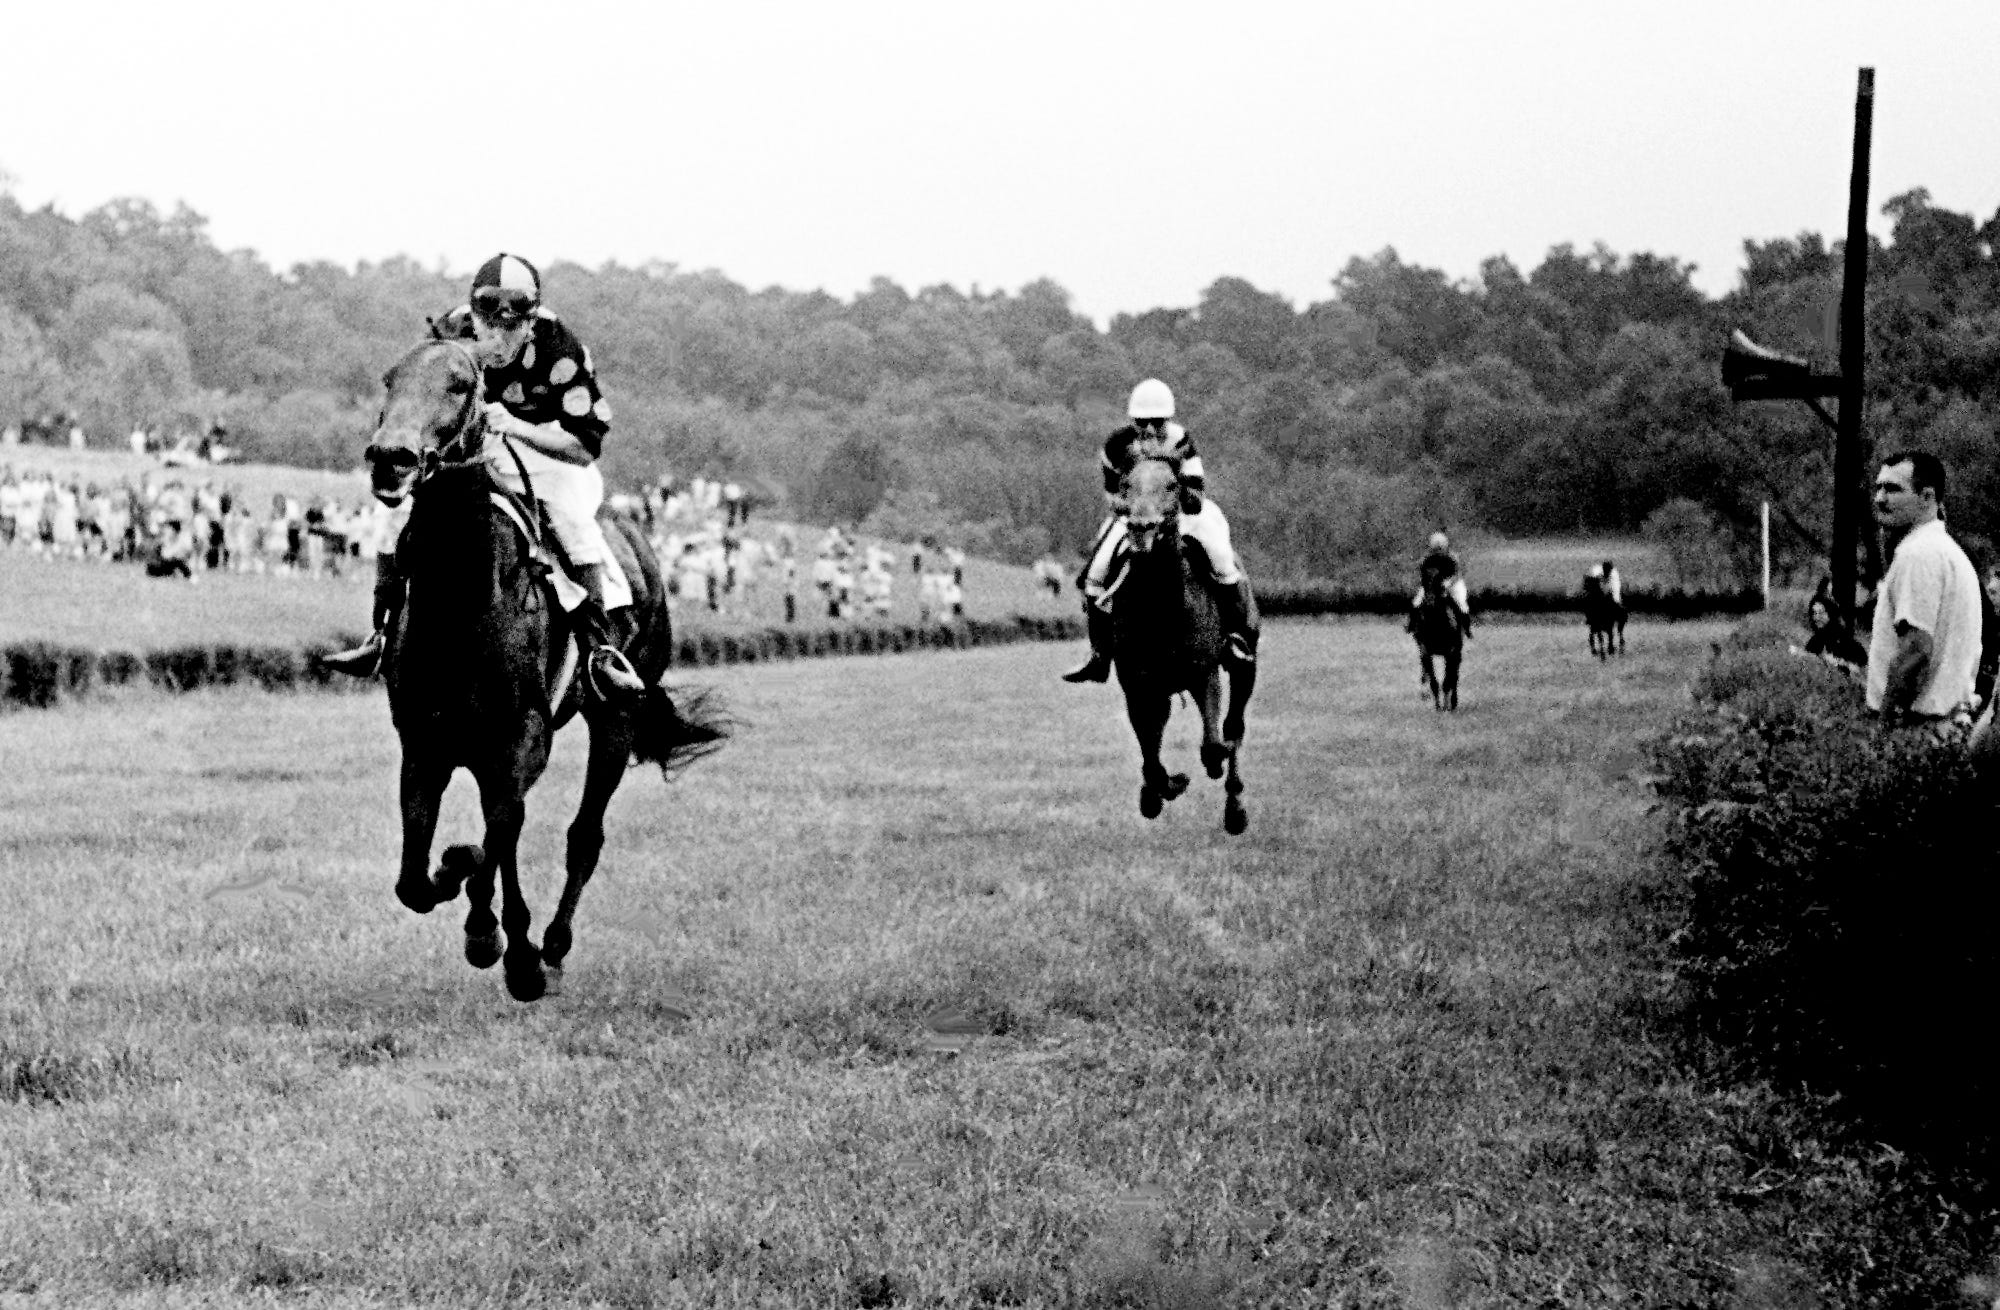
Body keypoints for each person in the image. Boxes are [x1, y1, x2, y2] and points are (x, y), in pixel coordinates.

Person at [323, 252, 644, 697]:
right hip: (470, 446)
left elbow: (584, 447)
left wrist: (518, 427)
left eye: (512, 326)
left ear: (531, 320)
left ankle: (598, 654)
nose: (497, 337)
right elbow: (421, 394)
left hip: (545, 450)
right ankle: (379, 636)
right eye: (487, 323)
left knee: (572, 521)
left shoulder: (560, 349)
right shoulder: (450, 332)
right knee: (392, 518)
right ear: (472, 313)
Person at [1062, 379, 1258, 683]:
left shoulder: (1181, 441)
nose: (1151, 429)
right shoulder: (1116, 445)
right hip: (1133, 517)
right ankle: (1099, 654)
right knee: (1096, 573)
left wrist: (1164, 498)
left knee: (1222, 559)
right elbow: (1112, 494)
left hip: (1180, 516)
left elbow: (1195, 498)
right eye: (1143, 422)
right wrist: (1135, 506)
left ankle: (1235, 638)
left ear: (1168, 419)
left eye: (1158, 422)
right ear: (1133, 420)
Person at [1864, 450, 1982, 739]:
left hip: (1919, 731)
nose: (1880, 498)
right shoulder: (1943, 550)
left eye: (1892, 489)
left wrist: (1883, 728)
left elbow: (1916, 651)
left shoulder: (1918, 554)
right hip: (1946, 726)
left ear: (1927, 498)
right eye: (1878, 487)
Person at [1407, 532, 1473, 640]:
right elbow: (1423, 575)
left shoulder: (1452, 558)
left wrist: (1449, 582)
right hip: (1433, 586)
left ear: (1445, 547)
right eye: (1435, 549)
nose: (1437, 552)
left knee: (1462, 605)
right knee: (1416, 602)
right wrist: (1426, 586)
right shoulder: (1427, 559)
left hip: (1453, 585)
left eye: (1439, 549)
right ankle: (1412, 625)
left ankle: (1466, 629)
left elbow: (1457, 574)